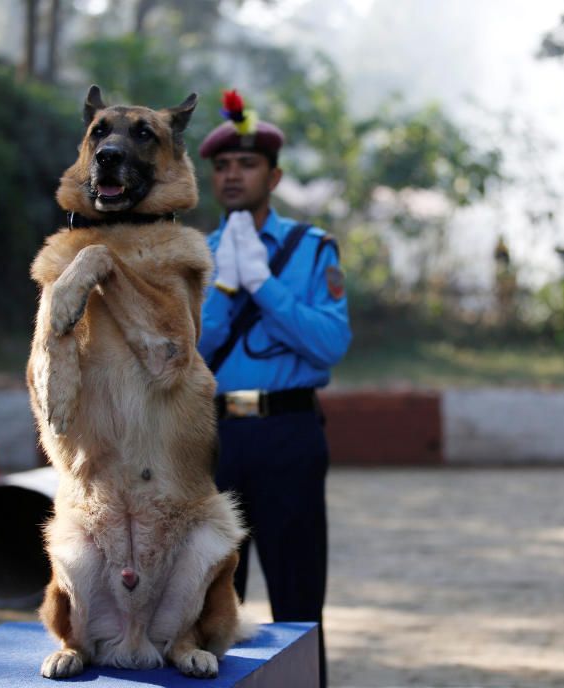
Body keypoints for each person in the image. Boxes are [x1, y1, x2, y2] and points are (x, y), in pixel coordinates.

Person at [197, 91, 351, 688]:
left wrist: (264, 285)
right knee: (208, 598)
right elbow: (188, 354)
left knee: (297, 598)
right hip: (211, 439)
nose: (232, 174)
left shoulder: (313, 250)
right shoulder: (197, 255)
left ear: (275, 175)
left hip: (288, 433)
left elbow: (330, 343)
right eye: (222, 166)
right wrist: (227, 291)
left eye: (247, 164)